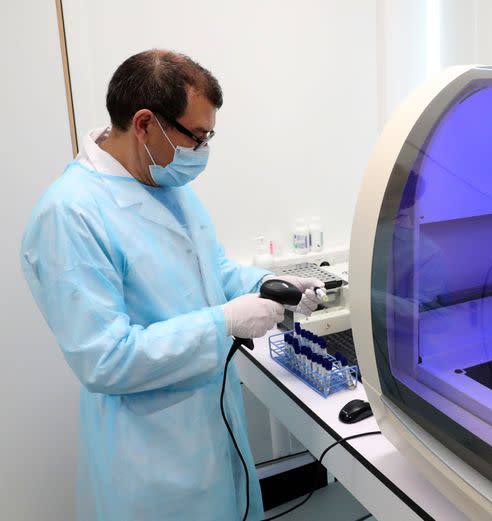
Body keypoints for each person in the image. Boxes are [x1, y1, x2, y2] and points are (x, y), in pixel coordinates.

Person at [20, 49, 323, 521]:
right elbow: (105, 359)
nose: (201, 151)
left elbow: (214, 272)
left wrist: (270, 284)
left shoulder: (165, 182)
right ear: (144, 124)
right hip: (151, 456)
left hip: (212, 429)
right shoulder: (72, 214)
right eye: (197, 137)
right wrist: (221, 322)